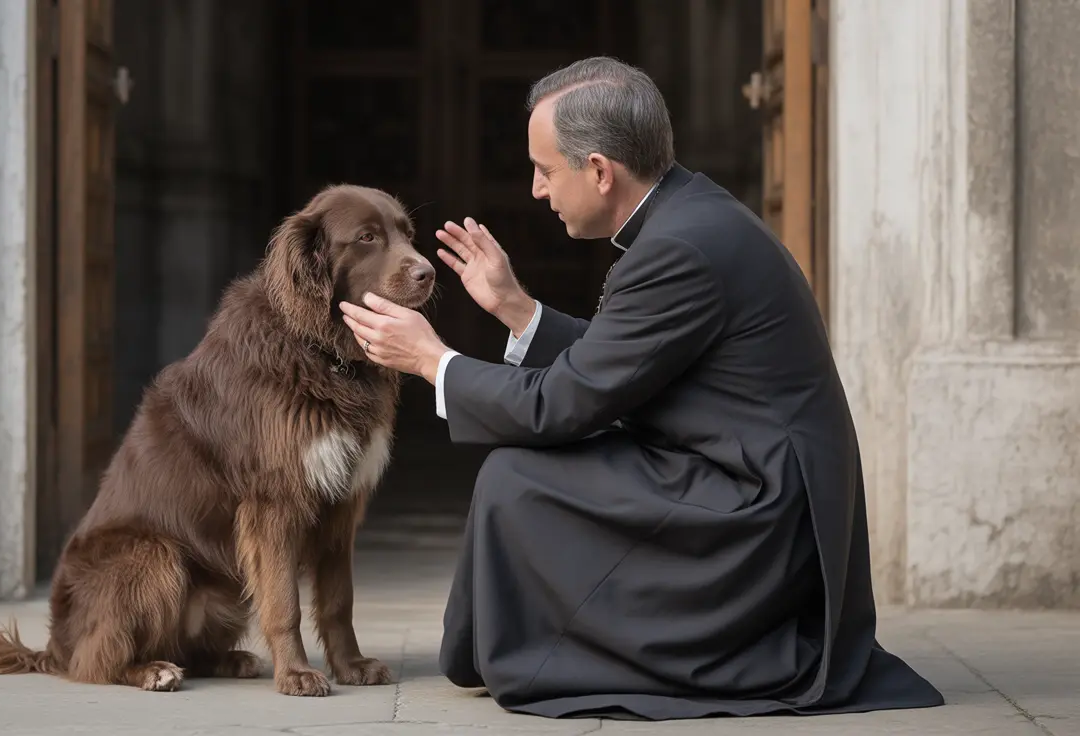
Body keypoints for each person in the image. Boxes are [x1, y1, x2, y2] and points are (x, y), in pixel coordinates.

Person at [338, 56, 944, 721]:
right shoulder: (686, 216)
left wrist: (433, 362)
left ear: (599, 171)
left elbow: (560, 406)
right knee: (522, 475)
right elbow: (620, 362)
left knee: (519, 478)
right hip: (740, 473)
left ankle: (540, 651)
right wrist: (518, 310)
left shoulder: (678, 247)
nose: (537, 190)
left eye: (545, 171)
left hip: (754, 515)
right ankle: (521, 646)